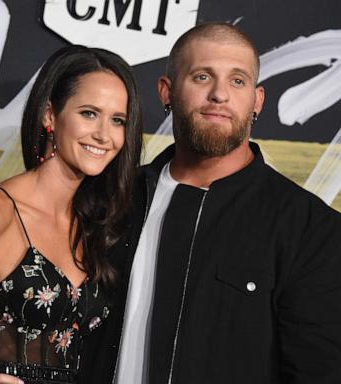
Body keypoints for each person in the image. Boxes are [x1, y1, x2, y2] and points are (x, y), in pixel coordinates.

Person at [84, 22, 341, 383]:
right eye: (202, 77)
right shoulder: (111, 200)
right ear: (166, 92)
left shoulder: (311, 229)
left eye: (237, 81)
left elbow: (320, 372)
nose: (220, 94)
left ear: (257, 101)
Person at [0, 45, 142, 383]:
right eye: (89, 113)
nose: (104, 134)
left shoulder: (91, 224)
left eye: (118, 121)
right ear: (49, 115)